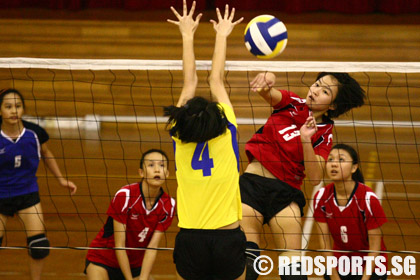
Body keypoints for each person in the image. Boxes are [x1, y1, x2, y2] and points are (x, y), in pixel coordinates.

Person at [241, 72, 366, 279]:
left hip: (285, 194)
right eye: (317, 84)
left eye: (325, 91)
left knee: (294, 273)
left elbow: (315, 177)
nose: (315, 91)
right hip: (251, 187)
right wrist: (268, 78)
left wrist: (305, 140)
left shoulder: (324, 133)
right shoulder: (292, 103)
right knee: (246, 263)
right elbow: (267, 92)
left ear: (333, 106)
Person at [165, 1, 245, 279]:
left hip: (191, 238)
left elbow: (190, 83)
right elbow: (216, 81)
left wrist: (187, 35)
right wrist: (222, 35)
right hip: (227, 237)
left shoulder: (179, 136)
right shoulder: (228, 131)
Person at [0, 88, 77, 280]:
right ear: (0, 110)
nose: (13, 111)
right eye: (8, 106)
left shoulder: (34, 133)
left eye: (17, 106)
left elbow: (46, 153)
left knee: (39, 246)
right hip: (0, 195)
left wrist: (61, 179)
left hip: (27, 194)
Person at [85, 148, 175, 280]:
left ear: (167, 173)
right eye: (151, 165)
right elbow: (119, 245)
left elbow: (152, 247)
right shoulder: (125, 196)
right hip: (103, 260)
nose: (157, 170)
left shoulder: (169, 205)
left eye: (161, 166)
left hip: (135, 266)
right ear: (141, 172)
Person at [313, 144, 388, 280]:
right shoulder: (321, 197)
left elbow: (375, 247)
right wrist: (334, 276)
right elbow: (324, 243)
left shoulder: (367, 198)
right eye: (330, 160)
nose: (334, 164)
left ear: (354, 168)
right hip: (342, 261)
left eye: (341, 160)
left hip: (371, 264)